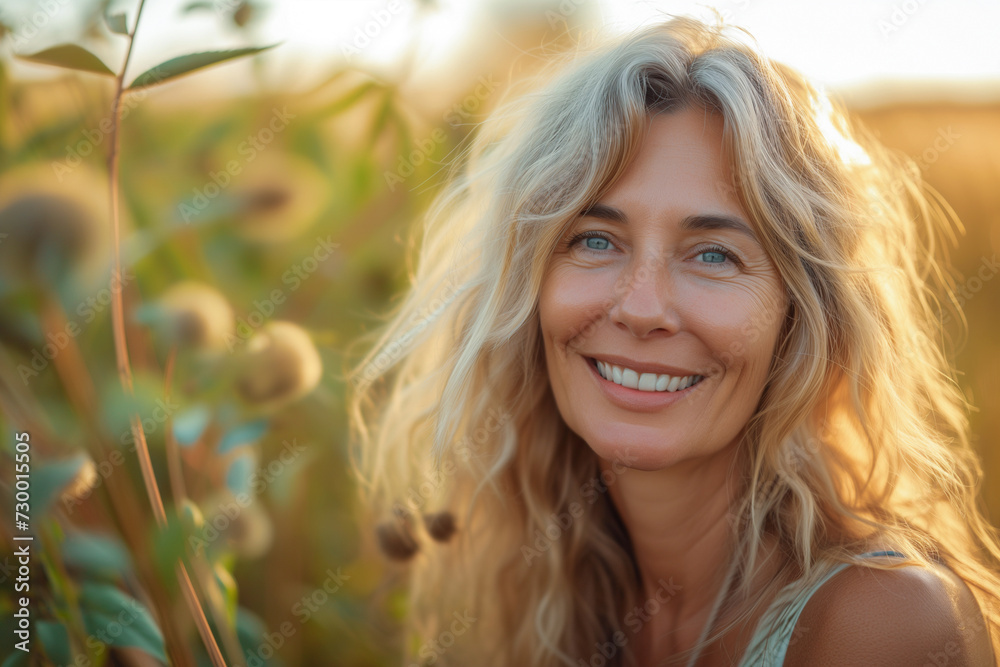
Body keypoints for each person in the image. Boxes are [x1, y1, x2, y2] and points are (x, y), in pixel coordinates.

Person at [347, 15, 1000, 666]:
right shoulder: (539, 599)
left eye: (713, 254)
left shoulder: (882, 625)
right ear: (529, 284)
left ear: (798, 319)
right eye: (594, 239)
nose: (642, 307)